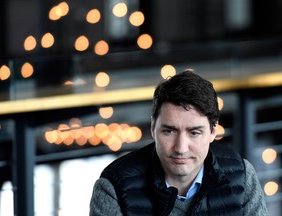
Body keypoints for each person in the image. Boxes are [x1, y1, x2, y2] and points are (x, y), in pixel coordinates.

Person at [89, 70, 269, 215]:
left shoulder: (242, 177)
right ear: (153, 128)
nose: (181, 148)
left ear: (213, 131)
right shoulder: (113, 187)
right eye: (169, 131)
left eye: (194, 133)